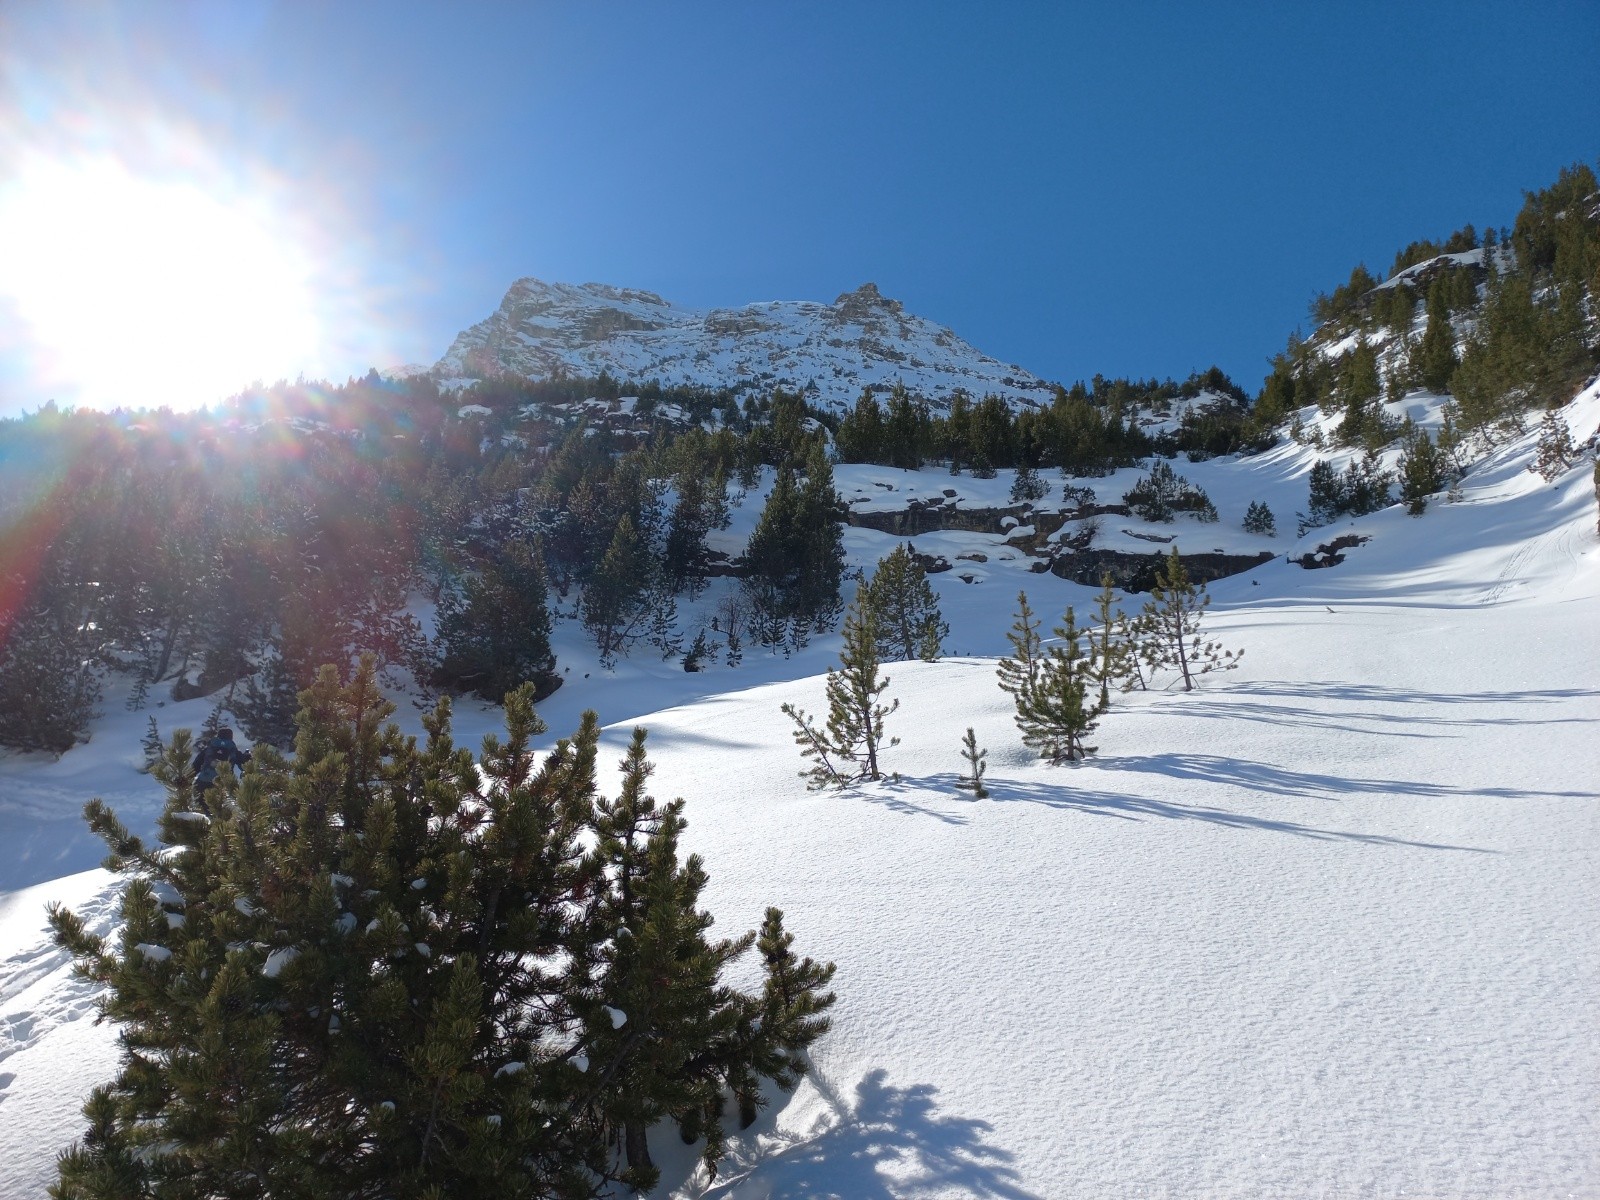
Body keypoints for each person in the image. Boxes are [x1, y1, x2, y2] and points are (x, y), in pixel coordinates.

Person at [192, 726, 251, 806]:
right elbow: (245, 767)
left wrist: (185, 781)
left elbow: (195, 766)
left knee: (201, 812)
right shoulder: (233, 750)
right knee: (222, 814)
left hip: (202, 783)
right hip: (224, 785)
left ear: (218, 736)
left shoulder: (209, 748)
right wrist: (247, 757)